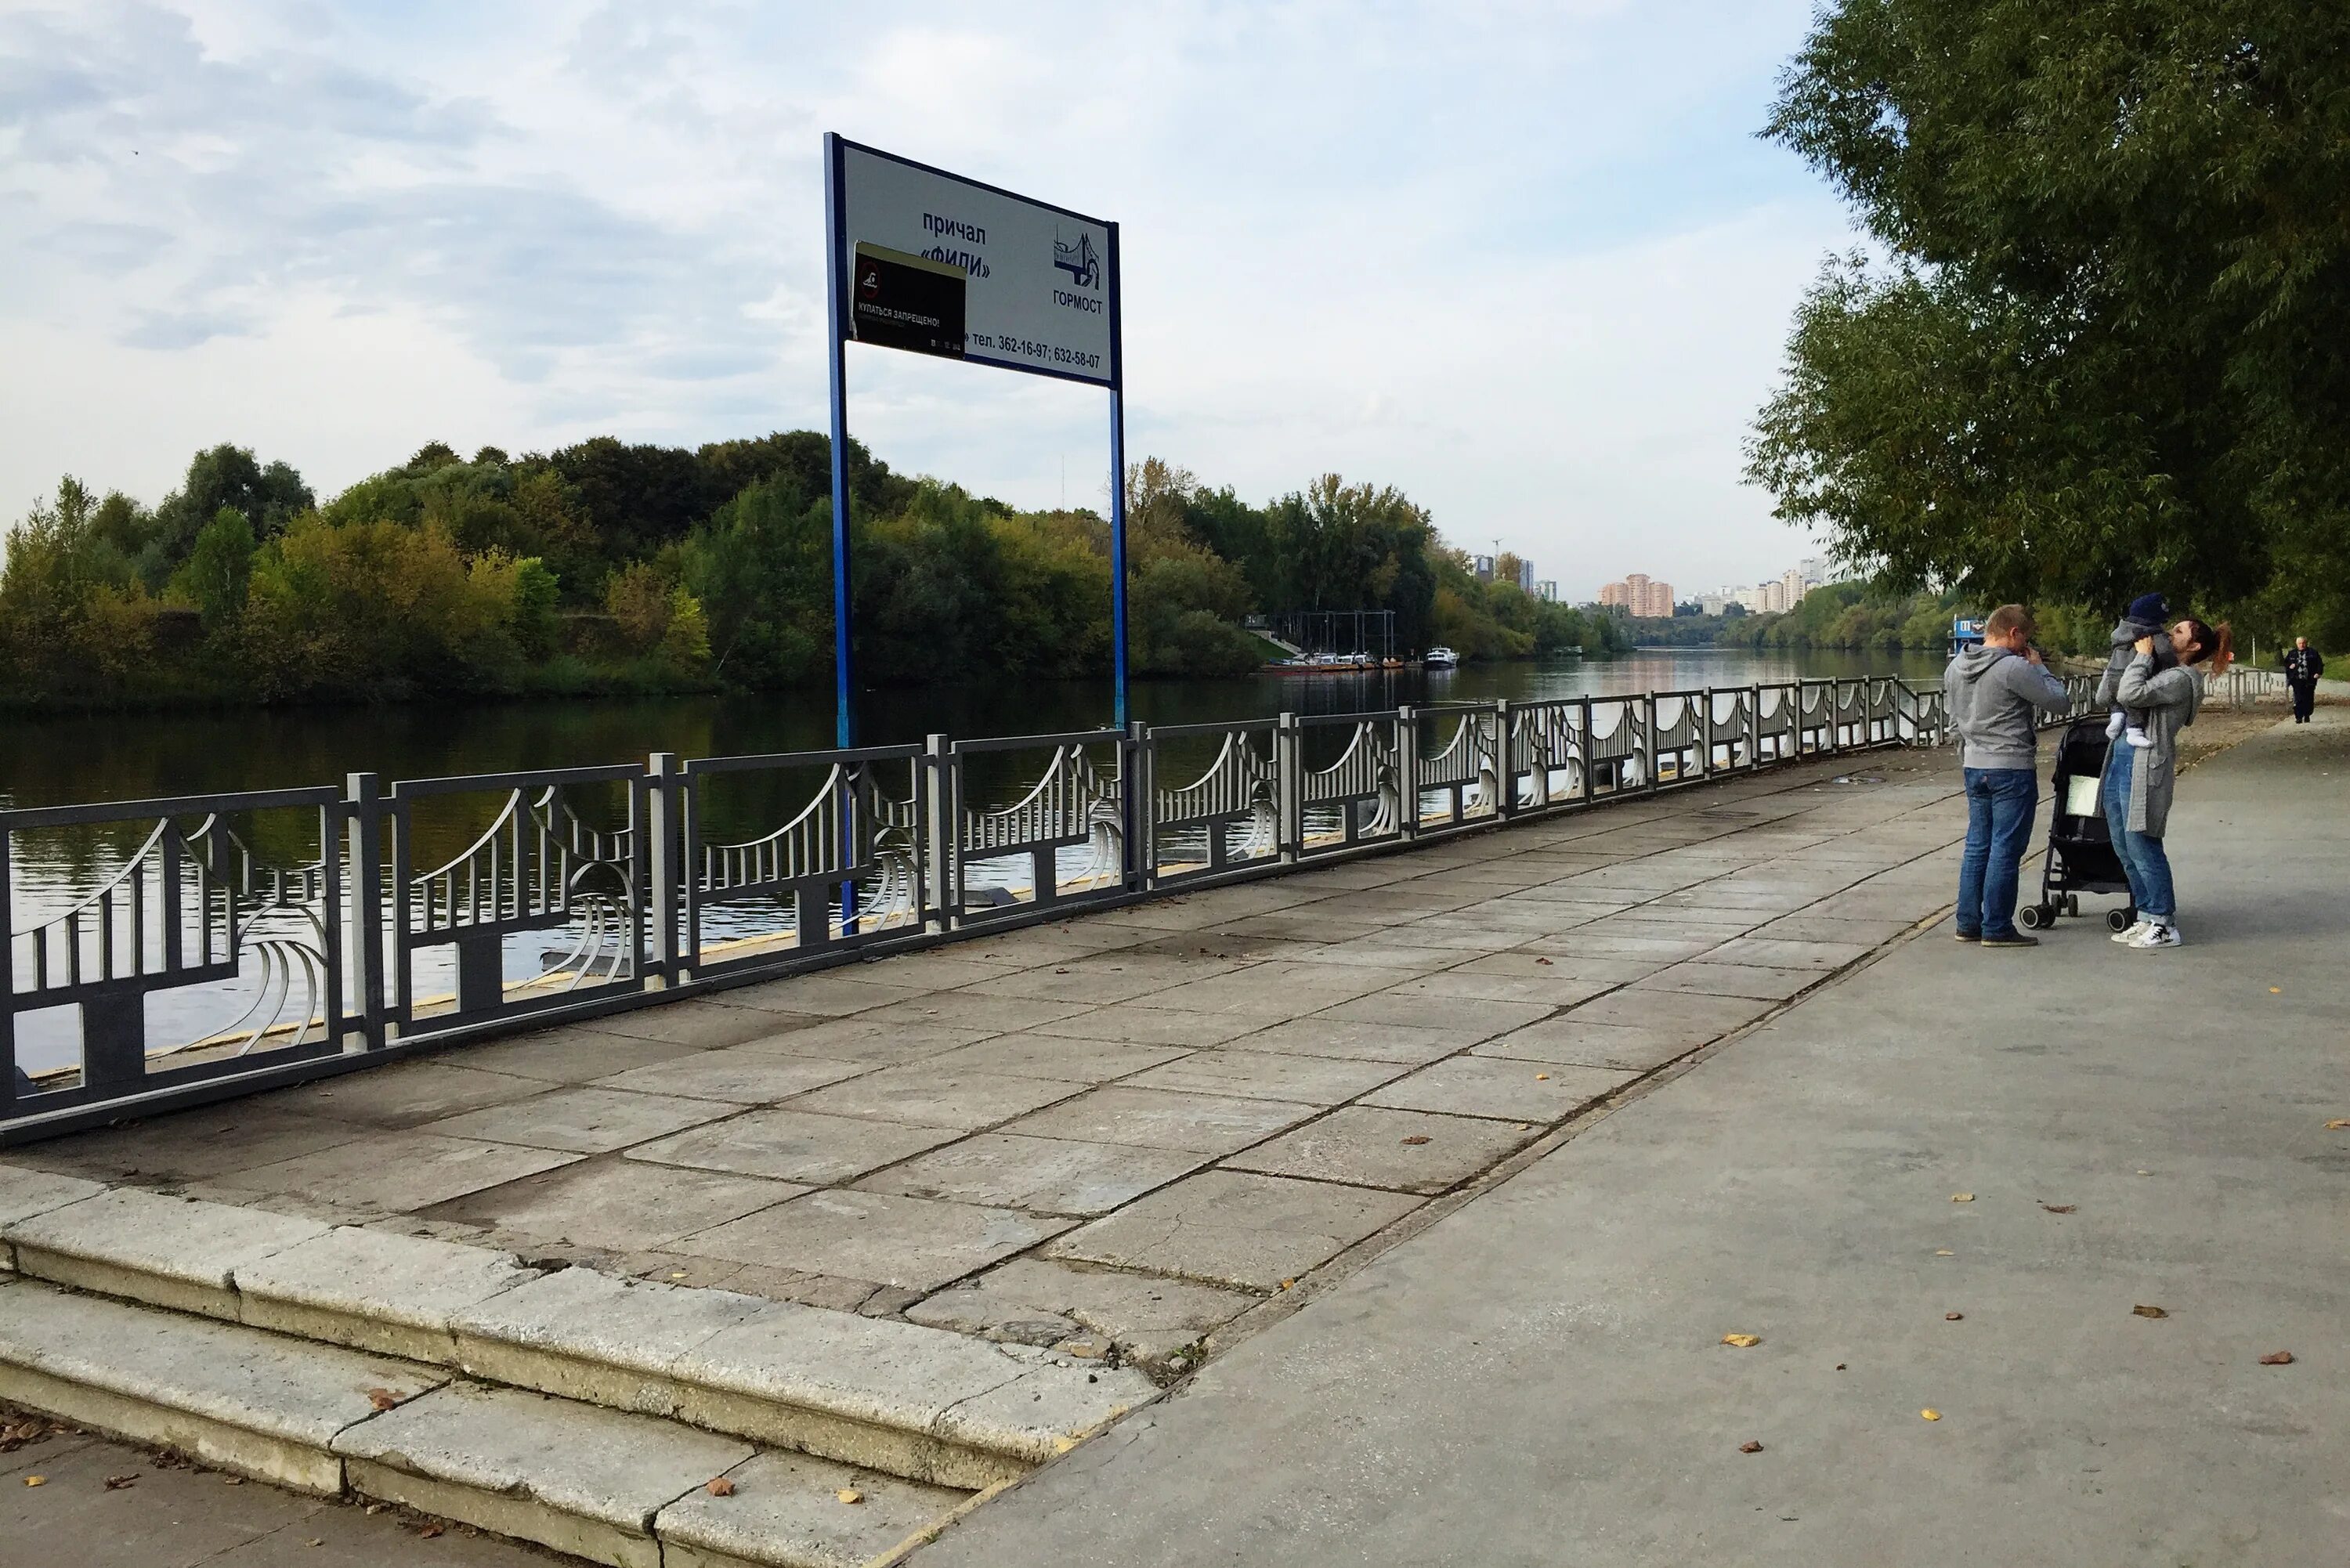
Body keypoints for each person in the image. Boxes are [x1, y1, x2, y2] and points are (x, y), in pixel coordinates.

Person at [1946, 604, 2073, 947]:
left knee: (1977, 847)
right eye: (2025, 638)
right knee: (2005, 848)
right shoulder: (2013, 668)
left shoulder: (1955, 667)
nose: (2026, 646)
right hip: (2011, 767)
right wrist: (2041, 669)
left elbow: (1953, 722)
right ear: (2014, 633)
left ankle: (1967, 923)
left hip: (1974, 765)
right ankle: (1997, 927)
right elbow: (2060, 703)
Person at [2106, 616, 2232, 948]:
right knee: (2122, 843)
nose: (2167, 633)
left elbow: (2130, 692)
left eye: (2178, 632)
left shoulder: (2181, 677)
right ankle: (2145, 915)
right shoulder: (2163, 669)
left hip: (2147, 765)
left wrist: (2143, 657)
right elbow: (2114, 687)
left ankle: (2164, 923)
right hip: (2122, 760)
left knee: (2143, 844)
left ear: (2193, 647)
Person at [2097, 592, 2176, 748]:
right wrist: (2172, 662)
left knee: (2117, 701)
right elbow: (2165, 652)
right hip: (2132, 677)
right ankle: (2134, 731)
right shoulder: (2150, 634)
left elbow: (2101, 698)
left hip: (2114, 674)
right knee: (2135, 705)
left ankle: (2117, 716)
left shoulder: (2120, 633)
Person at [2283, 635, 2323, 723]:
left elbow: (2319, 664)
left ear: (2306, 643)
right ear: (2297, 644)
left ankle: (2307, 714)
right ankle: (2298, 717)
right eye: (2300, 643)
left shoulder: (2313, 653)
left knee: (2308, 697)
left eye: (2303, 643)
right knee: (2298, 698)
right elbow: (2286, 663)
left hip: (2310, 679)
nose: (2302, 645)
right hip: (2297, 679)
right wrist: (2290, 666)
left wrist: (2318, 673)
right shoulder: (2292, 653)